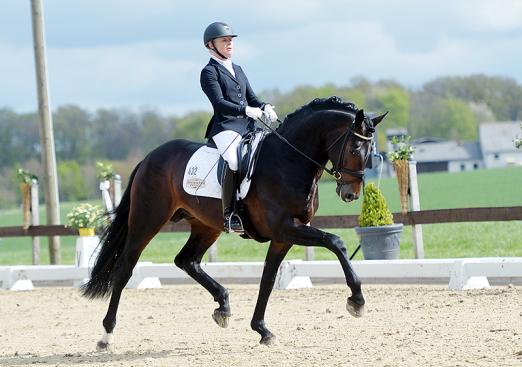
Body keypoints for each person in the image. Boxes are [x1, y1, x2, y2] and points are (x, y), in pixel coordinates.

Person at [200, 21, 277, 233]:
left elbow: (251, 97)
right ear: (210, 45)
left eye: (230, 40)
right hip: (226, 127)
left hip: (248, 126)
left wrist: (264, 106)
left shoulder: (238, 69)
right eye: (224, 41)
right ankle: (230, 214)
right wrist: (245, 111)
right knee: (234, 160)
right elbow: (219, 104)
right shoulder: (209, 72)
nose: (229, 44)